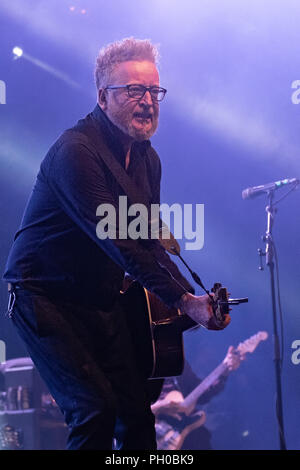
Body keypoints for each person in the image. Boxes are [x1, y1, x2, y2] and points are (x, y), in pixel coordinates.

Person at [3, 38, 230, 450]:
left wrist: (195, 299)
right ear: (103, 97)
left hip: (98, 298)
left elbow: (150, 241)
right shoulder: (76, 151)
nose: (147, 101)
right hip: (44, 296)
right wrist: (185, 302)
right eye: (133, 90)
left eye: (153, 91)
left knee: (137, 417)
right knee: (94, 410)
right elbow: (122, 244)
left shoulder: (147, 158)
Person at [151, 347, 242, 450]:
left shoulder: (180, 364)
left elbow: (201, 393)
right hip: (150, 431)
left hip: (181, 433)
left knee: (203, 438)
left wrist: (224, 371)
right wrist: (159, 406)